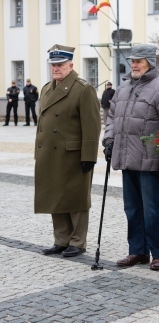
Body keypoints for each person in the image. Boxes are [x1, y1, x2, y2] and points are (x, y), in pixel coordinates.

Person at [103, 44, 159, 270]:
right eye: (132, 61)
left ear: (151, 62)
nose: (134, 64)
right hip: (127, 157)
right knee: (132, 208)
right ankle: (137, 250)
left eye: (139, 61)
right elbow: (112, 118)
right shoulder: (123, 88)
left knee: (151, 208)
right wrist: (109, 139)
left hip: (150, 159)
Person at [36, 44, 101, 257]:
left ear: (71, 65)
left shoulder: (83, 89)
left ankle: (77, 241)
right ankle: (61, 239)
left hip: (73, 154)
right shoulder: (47, 88)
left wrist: (89, 156)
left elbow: (92, 125)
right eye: (53, 65)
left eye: (60, 65)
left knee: (77, 199)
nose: (56, 68)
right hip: (51, 154)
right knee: (55, 196)